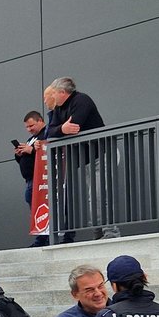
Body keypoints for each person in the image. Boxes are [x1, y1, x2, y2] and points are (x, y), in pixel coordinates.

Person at [45, 76, 119, 240]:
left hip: (102, 153)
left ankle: (111, 233)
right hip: (88, 159)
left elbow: (76, 126)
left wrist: (61, 129)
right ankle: (99, 234)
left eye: (53, 94)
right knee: (94, 197)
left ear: (62, 92)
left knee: (100, 195)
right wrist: (62, 128)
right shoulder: (59, 109)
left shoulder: (81, 100)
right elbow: (49, 131)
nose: (51, 98)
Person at [15, 111, 48, 247]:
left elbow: (45, 151)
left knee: (42, 209)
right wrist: (19, 154)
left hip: (41, 179)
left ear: (40, 121)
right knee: (36, 210)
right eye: (27, 127)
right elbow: (27, 158)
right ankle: (40, 238)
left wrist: (31, 151)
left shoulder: (46, 134)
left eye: (31, 126)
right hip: (30, 180)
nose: (29, 130)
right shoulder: (32, 139)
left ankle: (43, 239)